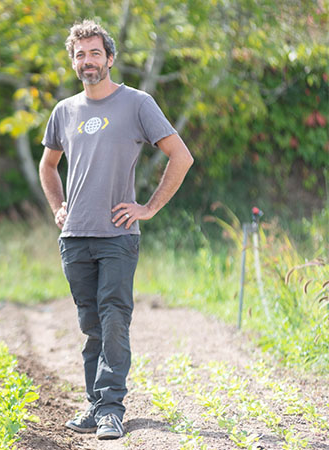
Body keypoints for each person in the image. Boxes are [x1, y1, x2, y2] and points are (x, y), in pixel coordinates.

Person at [39, 20, 193, 440]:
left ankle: (111, 408)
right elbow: (48, 165)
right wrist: (58, 207)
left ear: (110, 58)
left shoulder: (137, 103)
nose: (87, 61)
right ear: (74, 62)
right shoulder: (64, 111)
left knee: (113, 319)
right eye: (79, 55)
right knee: (90, 323)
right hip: (74, 237)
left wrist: (148, 208)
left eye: (94, 53)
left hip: (118, 236)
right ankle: (94, 404)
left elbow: (180, 156)